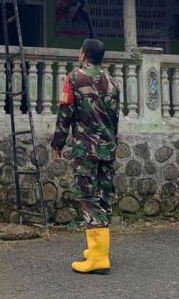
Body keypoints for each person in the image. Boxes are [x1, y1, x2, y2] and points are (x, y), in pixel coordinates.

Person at [51, 38, 121, 274]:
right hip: (107, 148)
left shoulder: (75, 78)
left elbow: (65, 113)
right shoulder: (113, 83)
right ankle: (97, 251)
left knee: (88, 197)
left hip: (86, 149)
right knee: (103, 196)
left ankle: (99, 259)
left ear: (83, 55)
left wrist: (57, 144)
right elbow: (115, 121)